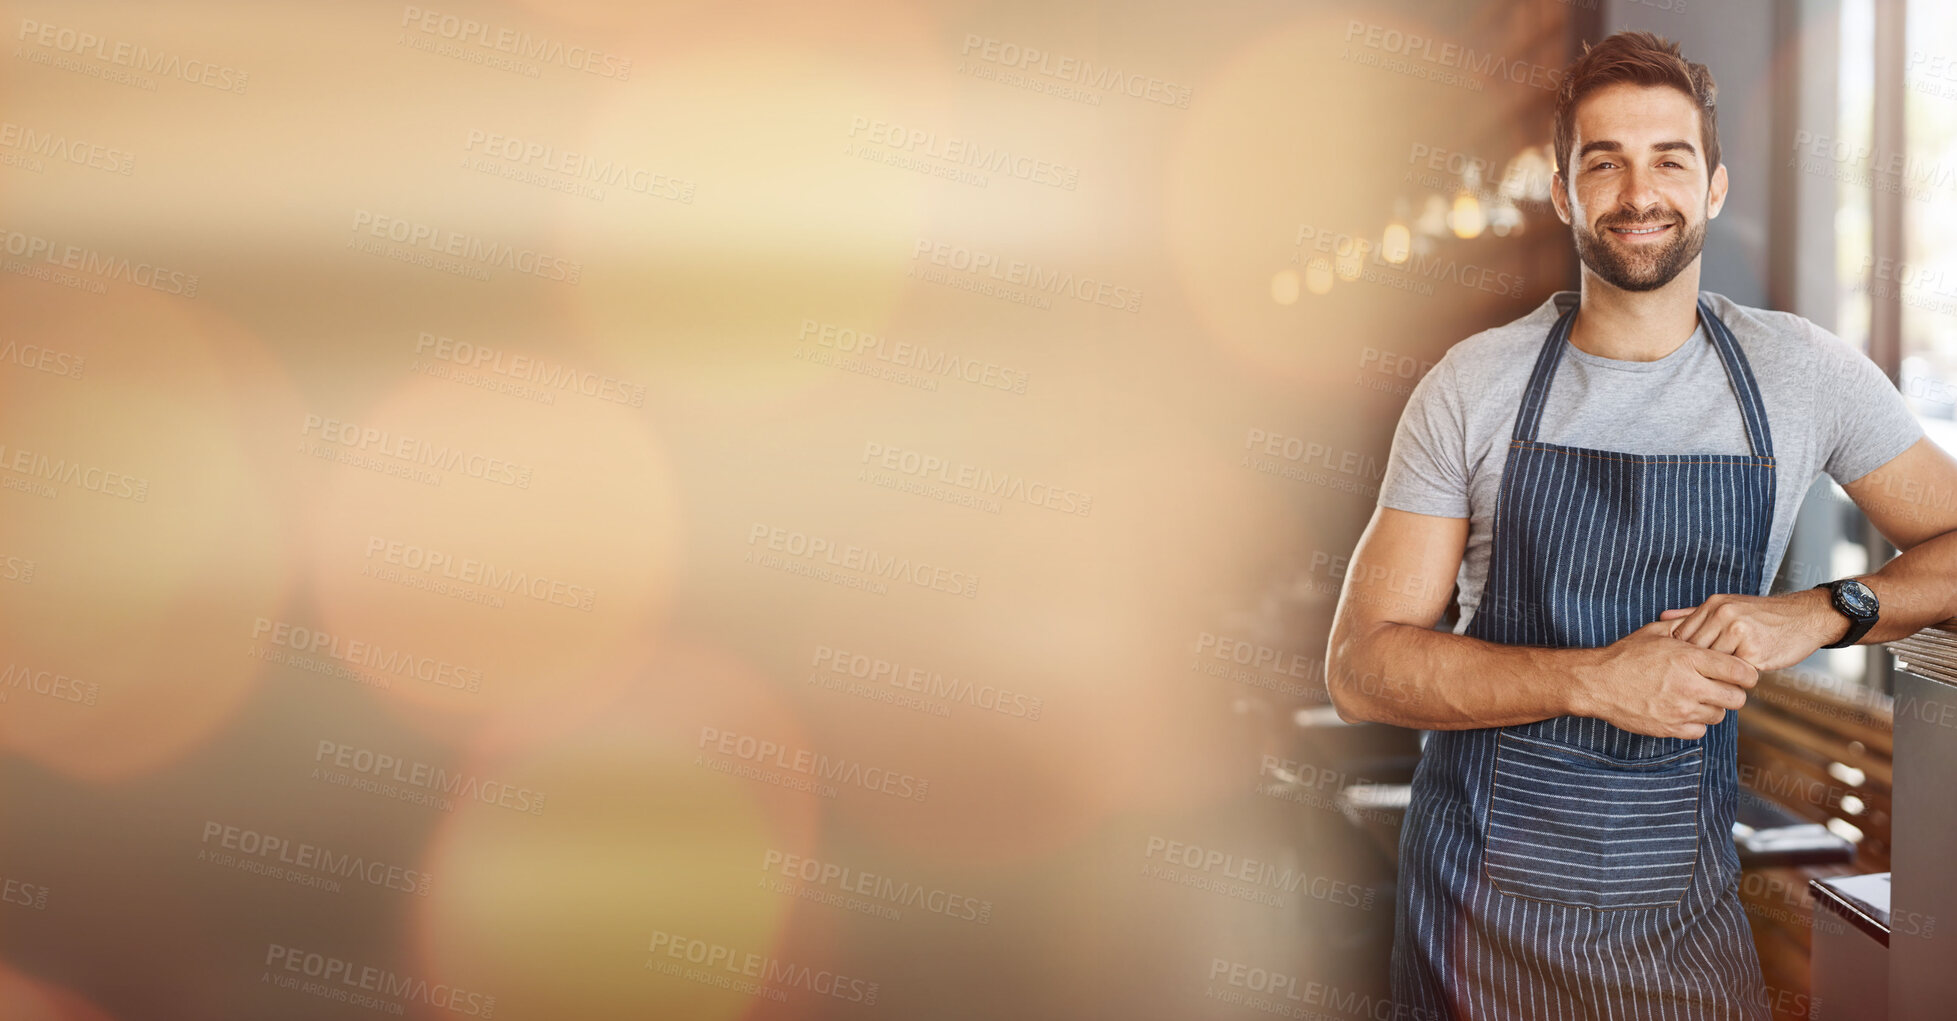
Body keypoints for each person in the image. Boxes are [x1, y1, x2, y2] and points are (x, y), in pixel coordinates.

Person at [1323, 29, 1957, 1021]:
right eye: (1603, 161)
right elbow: (1361, 668)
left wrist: (1820, 611)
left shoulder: (1801, 375)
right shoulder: (1473, 385)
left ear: (1713, 187)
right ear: (1563, 193)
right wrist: (1592, 679)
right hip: (1473, 925)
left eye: (1669, 158)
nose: (1638, 191)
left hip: (1680, 918)